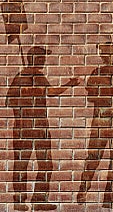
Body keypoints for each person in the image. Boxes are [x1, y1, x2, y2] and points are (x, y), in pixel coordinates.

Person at [8, 46, 79, 211]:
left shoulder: (35, 76)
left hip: (36, 127)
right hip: (28, 127)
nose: (44, 60)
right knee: (25, 164)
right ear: (34, 59)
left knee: (42, 164)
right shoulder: (24, 77)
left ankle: (36, 200)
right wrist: (70, 83)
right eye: (41, 58)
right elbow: (11, 100)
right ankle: (22, 201)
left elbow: (49, 92)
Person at [77, 43, 113, 209]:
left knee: (95, 158)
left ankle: (84, 192)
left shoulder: (99, 73)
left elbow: (91, 96)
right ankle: (103, 196)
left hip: (103, 121)